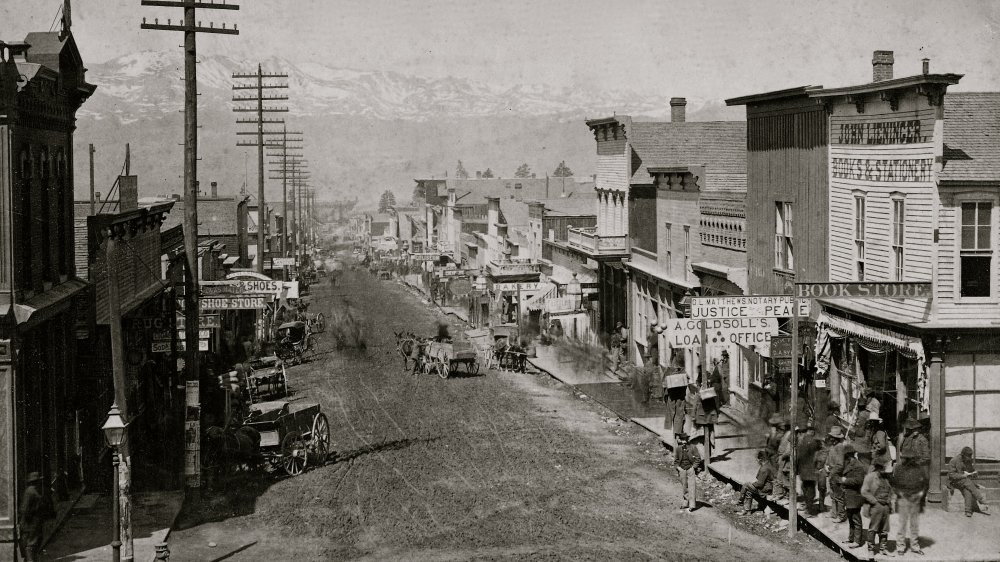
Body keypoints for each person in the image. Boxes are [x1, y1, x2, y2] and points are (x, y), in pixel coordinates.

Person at [893, 436, 929, 555]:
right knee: (902, 524)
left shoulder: (919, 469)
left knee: (914, 525)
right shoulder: (898, 468)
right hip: (903, 498)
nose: (908, 461)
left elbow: (924, 483)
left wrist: (920, 494)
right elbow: (894, 484)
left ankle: (915, 546)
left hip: (915, 499)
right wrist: (900, 494)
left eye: (910, 459)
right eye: (906, 459)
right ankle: (900, 547)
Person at [861, 459, 894, 556]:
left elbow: (891, 490)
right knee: (873, 528)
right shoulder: (870, 477)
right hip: (876, 506)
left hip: (886, 505)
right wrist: (874, 501)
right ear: (879, 468)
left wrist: (890, 501)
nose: (886, 472)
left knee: (884, 529)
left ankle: (883, 548)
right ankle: (871, 549)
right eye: (884, 469)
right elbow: (864, 491)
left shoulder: (887, 477)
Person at [839, 443, 869, 549]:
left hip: (855, 496)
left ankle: (857, 541)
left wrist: (845, 480)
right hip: (848, 495)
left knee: (856, 518)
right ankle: (851, 538)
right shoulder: (848, 464)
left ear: (848, 455)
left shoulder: (858, 466)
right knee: (850, 518)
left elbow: (859, 481)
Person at [948, 446, 990, 517]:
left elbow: (971, 470)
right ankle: (980, 499)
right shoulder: (954, 460)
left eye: (970, 457)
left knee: (967, 489)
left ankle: (968, 511)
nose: (969, 459)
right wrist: (963, 476)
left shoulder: (968, 460)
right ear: (962, 455)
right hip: (954, 482)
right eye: (967, 457)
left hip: (964, 482)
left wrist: (974, 473)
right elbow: (951, 475)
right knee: (967, 482)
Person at [18, 472, 47, 561]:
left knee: (33, 544)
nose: (39, 482)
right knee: (31, 545)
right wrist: (29, 520)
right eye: (38, 481)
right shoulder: (30, 492)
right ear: (35, 481)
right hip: (31, 524)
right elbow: (24, 509)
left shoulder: (32, 490)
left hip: (33, 523)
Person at [739, 450, 776, 514]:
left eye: (757, 459)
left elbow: (760, 484)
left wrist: (752, 485)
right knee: (749, 491)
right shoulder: (768, 465)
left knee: (746, 485)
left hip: (766, 490)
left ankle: (740, 501)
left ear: (760, 459)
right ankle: (748, 511)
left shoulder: (764, 469)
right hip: (769, 487)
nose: (757, 461)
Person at [796, 424, 821, 517]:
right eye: (813, 431)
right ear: (810, 431)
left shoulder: (801, 441)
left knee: (805, 489)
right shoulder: (813, 442)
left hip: (803, 469)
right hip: (810, 470)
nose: (814, 433)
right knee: (811, 491)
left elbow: (798, 456)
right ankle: (810, 511)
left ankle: (807, 507)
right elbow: (815, 457)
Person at [825, 425, 848, 522]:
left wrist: (832, 473)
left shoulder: (840, 447)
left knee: (839, 496)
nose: (831, 439)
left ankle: (841, 515)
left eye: (832, 437)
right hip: (831, 473)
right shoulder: (832, 447)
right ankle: (834, 513)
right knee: (832, 494)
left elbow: (840, 464)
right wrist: (826, 465)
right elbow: (828, 458)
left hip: (837, 474)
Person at [674, 432, 702, 512]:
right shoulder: (678, 449)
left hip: (690, 469)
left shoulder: (693, 447)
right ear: (680, 440)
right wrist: (678, 468)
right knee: (684, 486)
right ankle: (685, 503)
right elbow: (676, 461)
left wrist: (694, 467)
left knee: (692, 486)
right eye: (682, 440)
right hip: (682, 469)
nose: (684, 442)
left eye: (685, 440)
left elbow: (698, 458)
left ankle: (692, 505)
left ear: (687, 439)